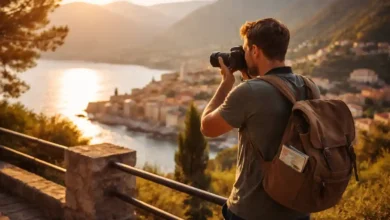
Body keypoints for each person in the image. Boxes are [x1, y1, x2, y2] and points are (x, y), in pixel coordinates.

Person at [200, 18, 315, 220]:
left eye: (245, 50)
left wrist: (227, 83)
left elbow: (207, 127)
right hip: (298, 211)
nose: (244, 55)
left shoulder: (249, 92)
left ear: (254, 51)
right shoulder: (308, 86)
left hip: (251, 212)